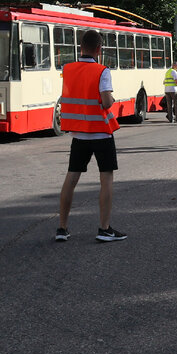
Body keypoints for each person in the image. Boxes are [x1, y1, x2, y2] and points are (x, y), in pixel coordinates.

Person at [55, 29, 127, 243]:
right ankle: (104, 229)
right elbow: (105, 101)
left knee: (71, 178)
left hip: (78, 134)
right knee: (106, 178)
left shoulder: (68, 69)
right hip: (101, 134)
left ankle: (62, 228)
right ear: (99, 49)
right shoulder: (102, 70)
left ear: (80, 47)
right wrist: (111, 99)